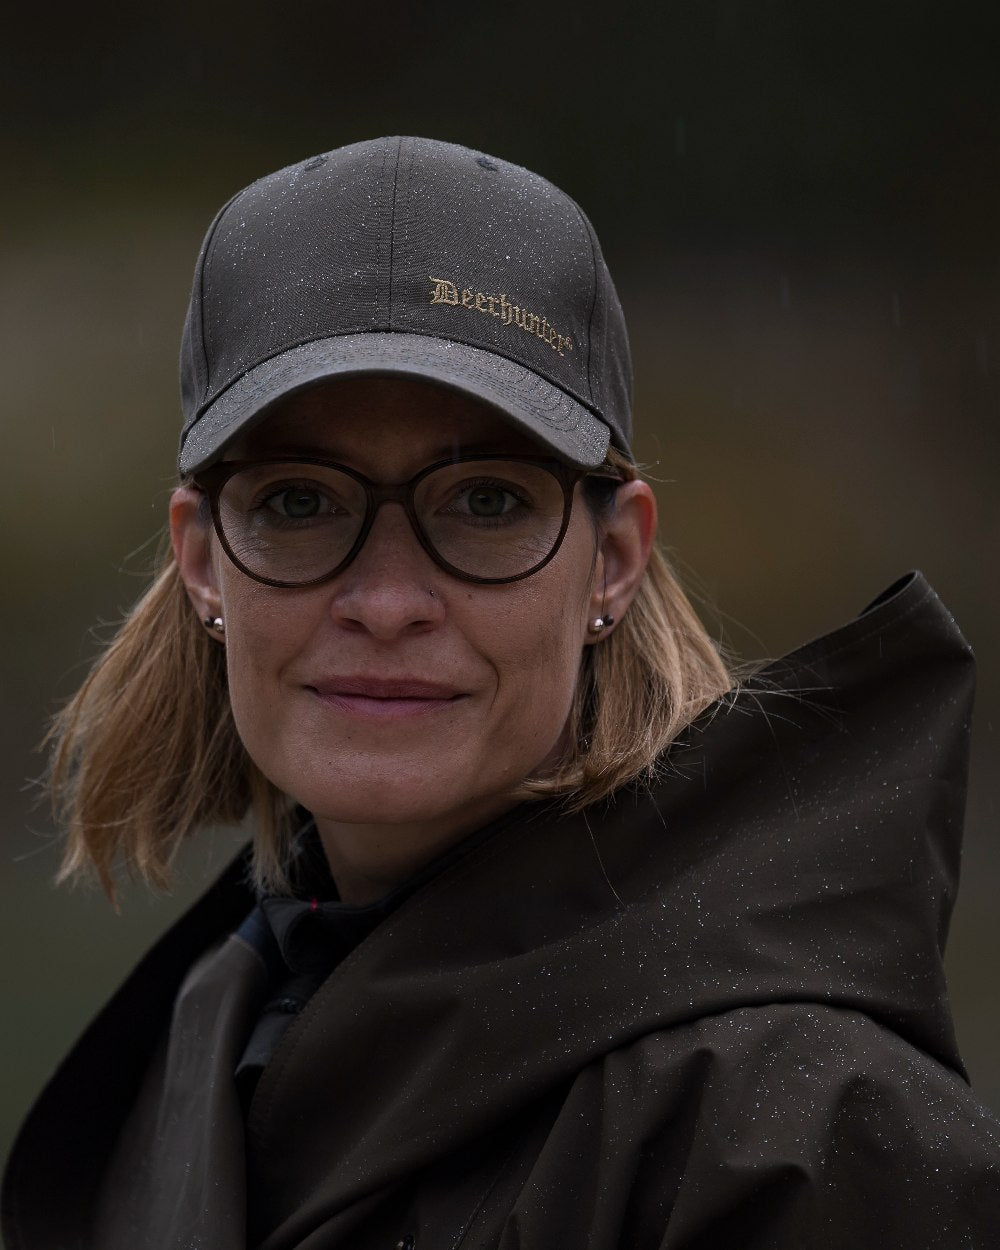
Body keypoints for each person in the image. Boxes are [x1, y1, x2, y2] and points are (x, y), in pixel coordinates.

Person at [3, 136, 998, 1250]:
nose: (386, 600)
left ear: (613, 557)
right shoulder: (200, 1046)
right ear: (201, 560)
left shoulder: (793, 1125)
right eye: (297, 502)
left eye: (485, 501)